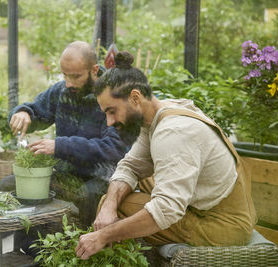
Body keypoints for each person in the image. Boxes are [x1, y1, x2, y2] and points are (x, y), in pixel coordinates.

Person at [75, 51, 257, 260]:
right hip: (204, 205)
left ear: (135, 98)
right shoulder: (156, 114)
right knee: (112, 204)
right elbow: (130, 166)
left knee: (121, 209)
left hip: (224, 224)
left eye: (112, 111)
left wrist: (101, 235)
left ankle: (110, 260)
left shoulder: (173, 132)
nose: (109, 122)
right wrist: (108, 207)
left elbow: (166, 210)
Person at [0, 41, 129, 226]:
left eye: (75, 76)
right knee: (7, 187)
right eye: (65, 75)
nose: (68, 83)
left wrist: (60, 146)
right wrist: (23, 112)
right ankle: (26, 246)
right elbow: (36, 111)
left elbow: (113, 150)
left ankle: (84, 244)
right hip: (66, 175)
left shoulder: (113, 98)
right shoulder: (61, 91)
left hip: (100, 177)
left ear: (94, 70)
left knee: (89, 195)